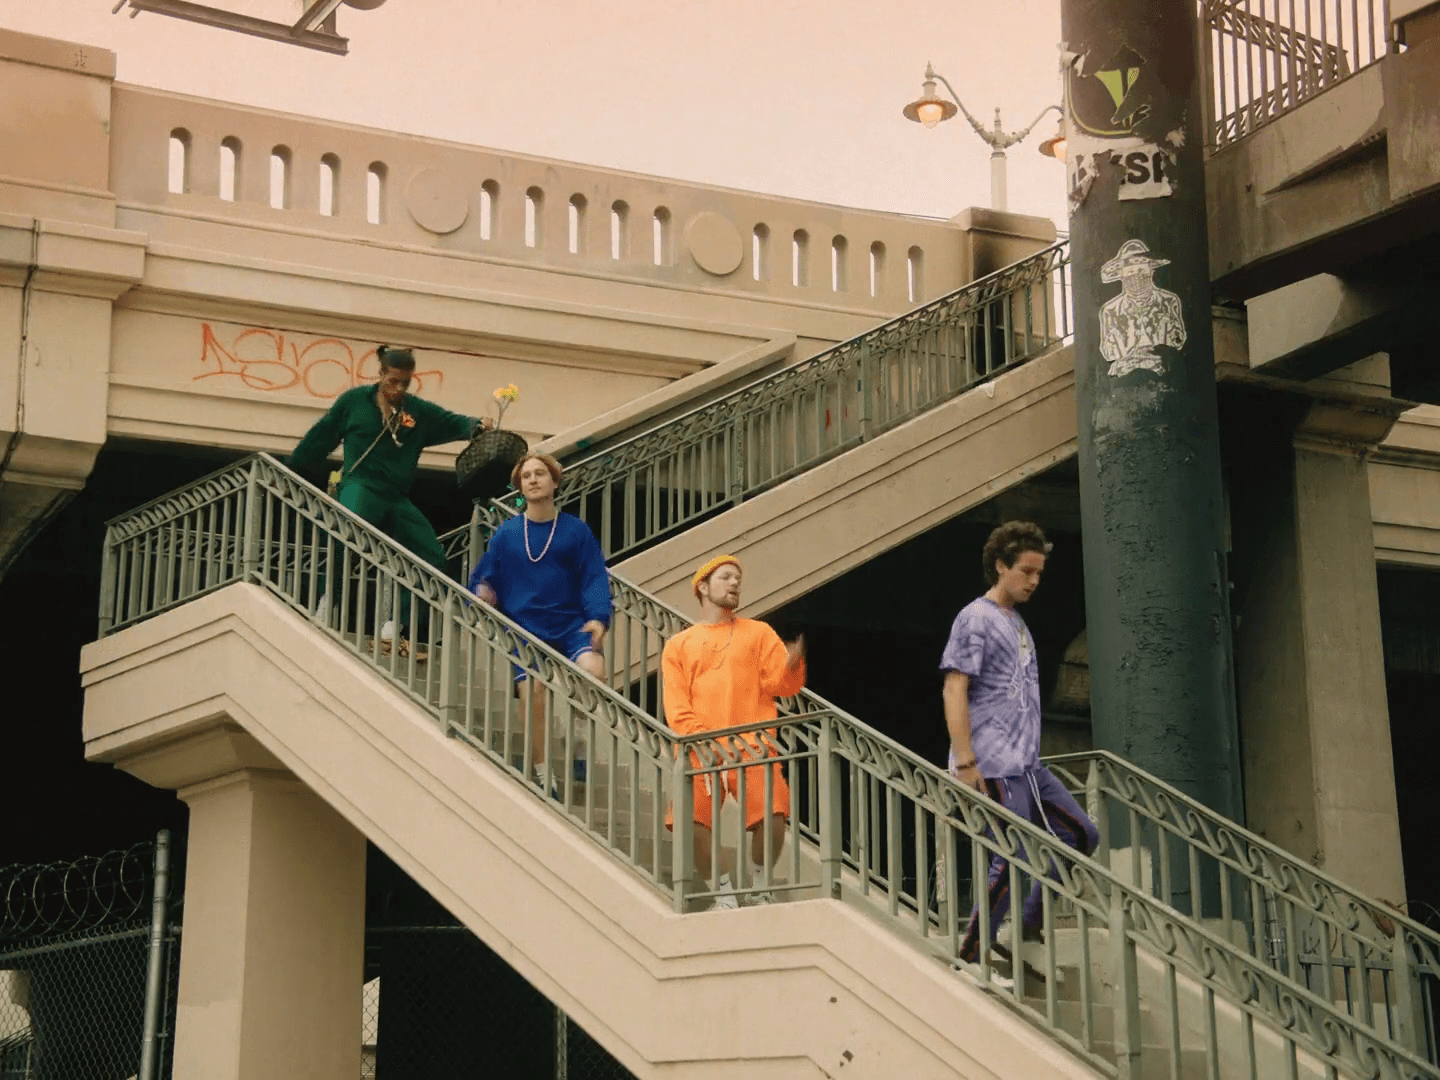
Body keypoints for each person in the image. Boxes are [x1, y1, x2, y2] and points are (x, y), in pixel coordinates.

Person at [940, 520, 1099, 963]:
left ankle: (1026, 928)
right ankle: (971, 953)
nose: (1034, 581)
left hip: (1027, 766)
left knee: (1081, 835)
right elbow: (955, 687)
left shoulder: (1017, 622)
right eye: (1026, 571)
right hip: (992, 762)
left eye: (1039, 574)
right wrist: (966, 760)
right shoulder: (975, 617)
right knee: (1011, 855)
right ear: (1001, 566)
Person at [290, 345, 492, 659]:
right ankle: (323, 609)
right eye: (393, 381)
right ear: (381, 373)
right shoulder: (354, 402)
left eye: (405, 384)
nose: (398, 389)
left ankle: (395, 625)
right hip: (360, 485)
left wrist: (476, 426)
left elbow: (453, 422)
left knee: (432, 556)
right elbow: (323, 434)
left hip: (396, 497)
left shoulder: (419, 412)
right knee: (346, 537)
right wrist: (295, 470)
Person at [662, 555, 806, 909]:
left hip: (752, 743)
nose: (734, 583)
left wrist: (793, 662)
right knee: (688, 820)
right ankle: (723, 891)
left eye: (737, 578)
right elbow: (677, 706)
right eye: (726, 577)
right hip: (699, 746)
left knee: (774, 813)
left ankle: (759, 884)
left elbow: (781, 685)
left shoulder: (758, 632)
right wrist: (702, 741)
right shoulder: (679, 644)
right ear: (703, 587)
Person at [468, 453, 611, 792]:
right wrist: (483, 591)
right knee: (532, 690)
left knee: (594, 672)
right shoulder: (507, 533)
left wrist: (598, 618)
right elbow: (487, 574)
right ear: (520, 486)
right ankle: (544, 769)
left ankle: (577, 739)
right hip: (524, 628)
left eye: (540, 474)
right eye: (526, 476)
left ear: (554, 481)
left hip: (569, 622)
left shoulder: (575, 530)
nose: (532, 479)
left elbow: (593, 577)